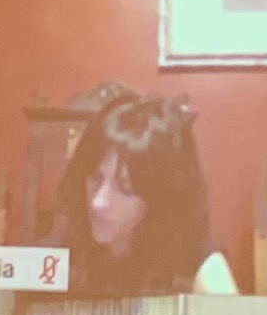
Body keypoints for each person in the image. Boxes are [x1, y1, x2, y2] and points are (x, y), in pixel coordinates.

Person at [44, 88, 238, 295]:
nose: (98, 202)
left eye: (125, 188)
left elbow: (229, 312)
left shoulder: (195, 262)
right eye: (95, 178)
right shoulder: (57, 256)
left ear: (158, 198)